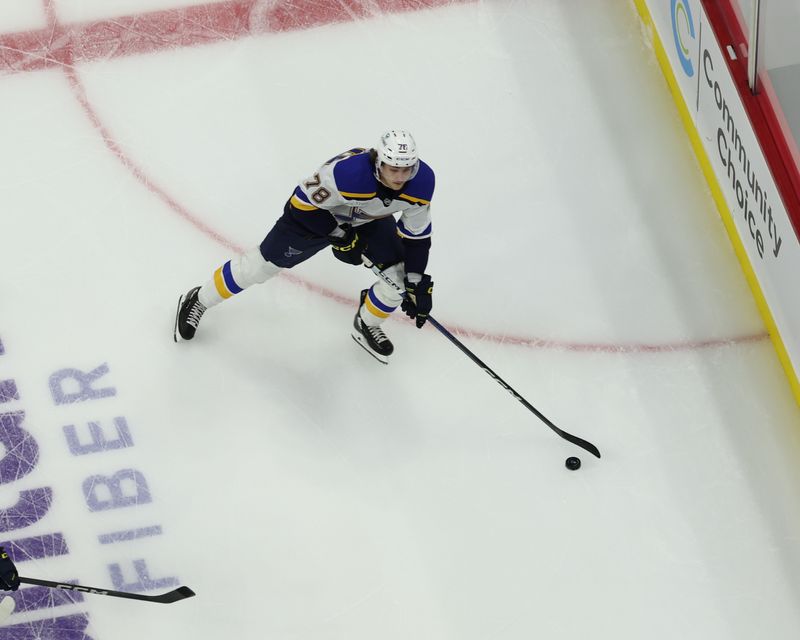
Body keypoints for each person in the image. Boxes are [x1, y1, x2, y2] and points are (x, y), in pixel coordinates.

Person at [174, 129, 435, 364]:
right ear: (378, 162)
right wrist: (339, 235)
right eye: (393, 169)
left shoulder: (422, 183)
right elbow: (300, 206)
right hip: (315, 218)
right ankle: (199, 299)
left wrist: (415, 282)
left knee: (399, 280)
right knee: (257, 269)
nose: (401, 177)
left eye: (407, 169)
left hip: (367, 219)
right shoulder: (347, 175)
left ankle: (367, 322)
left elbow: (417, 237)